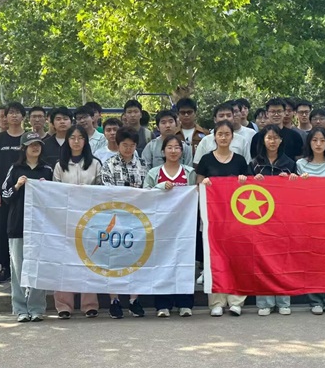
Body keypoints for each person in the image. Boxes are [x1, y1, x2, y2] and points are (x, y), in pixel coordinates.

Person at [196, 121, 248, 316]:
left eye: (227, 134)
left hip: (236, 217)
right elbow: (198, 185)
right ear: (214, 137)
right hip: (214, 218)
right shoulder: (206, 160)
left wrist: (243, 181)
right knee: (215, 259)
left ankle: (236, 301)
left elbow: (249, 188)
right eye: (220, 134)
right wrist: (204, 183)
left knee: (237, 257)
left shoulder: (240, 161)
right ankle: (216, 302)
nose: (224, 137)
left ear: (232, 137)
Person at [1, 132, 53, 322]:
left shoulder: (47, 169)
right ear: (24, 148)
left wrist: (47, 188)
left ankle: (37, 308)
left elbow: (57, 198)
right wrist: (17, 185)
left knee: (38, 267)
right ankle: (20, 308)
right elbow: (5, 195)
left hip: (40, 227)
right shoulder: (15, 169)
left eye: (38, 144)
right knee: (18, 268)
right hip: (17, 225)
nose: (35, 147)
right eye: (31, 145)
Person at [144, 135, 197, 317]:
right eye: (169, 147)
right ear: (163, 151)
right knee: (162, 263)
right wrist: (159, 187)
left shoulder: (189, 173)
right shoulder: (154, 173)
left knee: (184, 263)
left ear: (182, 151)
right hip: (161, 226)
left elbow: (196, 195)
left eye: (177, 147)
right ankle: (162, 304)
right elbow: (144, 195)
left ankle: (185, 303)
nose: (173, 151)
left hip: (184, 226)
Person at [53, 125, 102, 319]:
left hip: (90, 219)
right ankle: (64, 305)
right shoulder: (60, 165)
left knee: (88, 260)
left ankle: (89, 304)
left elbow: (102, 190)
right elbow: (54, 191)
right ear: (67, 141)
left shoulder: (95, 164)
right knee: (65, 261)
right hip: (66, 219)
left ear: (85, 141)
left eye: (80, 137)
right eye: (72, 137)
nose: (76, 141)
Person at [248, 125, 297, 316]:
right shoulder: (254, 164)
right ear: (263, 140)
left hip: (283, 218)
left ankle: (284, 301)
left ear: (281, 140)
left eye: (276, 137)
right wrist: (252, 180)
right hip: (261, 219)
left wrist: (291, 179)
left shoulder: (290, 163)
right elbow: (244, 188)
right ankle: (264, 303)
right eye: (269, 137)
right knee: (263, 260)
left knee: (283, 260)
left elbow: (298, 191)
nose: (272, 141)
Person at [101, 127, 148, 318]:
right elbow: (106, 191)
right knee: (113, 259)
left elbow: (148, 191)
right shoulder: (109, 164)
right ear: (118, 145)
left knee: (136, 258)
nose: (128, 148)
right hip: (114, 218)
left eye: (132, 145)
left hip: (137, 219)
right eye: (125, 145)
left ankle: (134, 299)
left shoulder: (143, 164)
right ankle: (114, 300)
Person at [296, 127, 325, 315]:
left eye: (322, 140)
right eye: (314, 140)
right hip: (309, 220)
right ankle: (314, 300)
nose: (318, 144)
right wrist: (300, 182)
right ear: (309, 142)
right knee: (311, 260)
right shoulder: (300, 164)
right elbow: (294, 194)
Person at [0, 102, 26, 284]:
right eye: (10, 113)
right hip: (4, 194)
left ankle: (24, 268)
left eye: (17, 112)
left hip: (24, 192)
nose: (14, 116)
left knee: (23, 230)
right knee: (2, 229)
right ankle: (4, 267)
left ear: (23, 116)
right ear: (5, 117)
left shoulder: (28, 138)